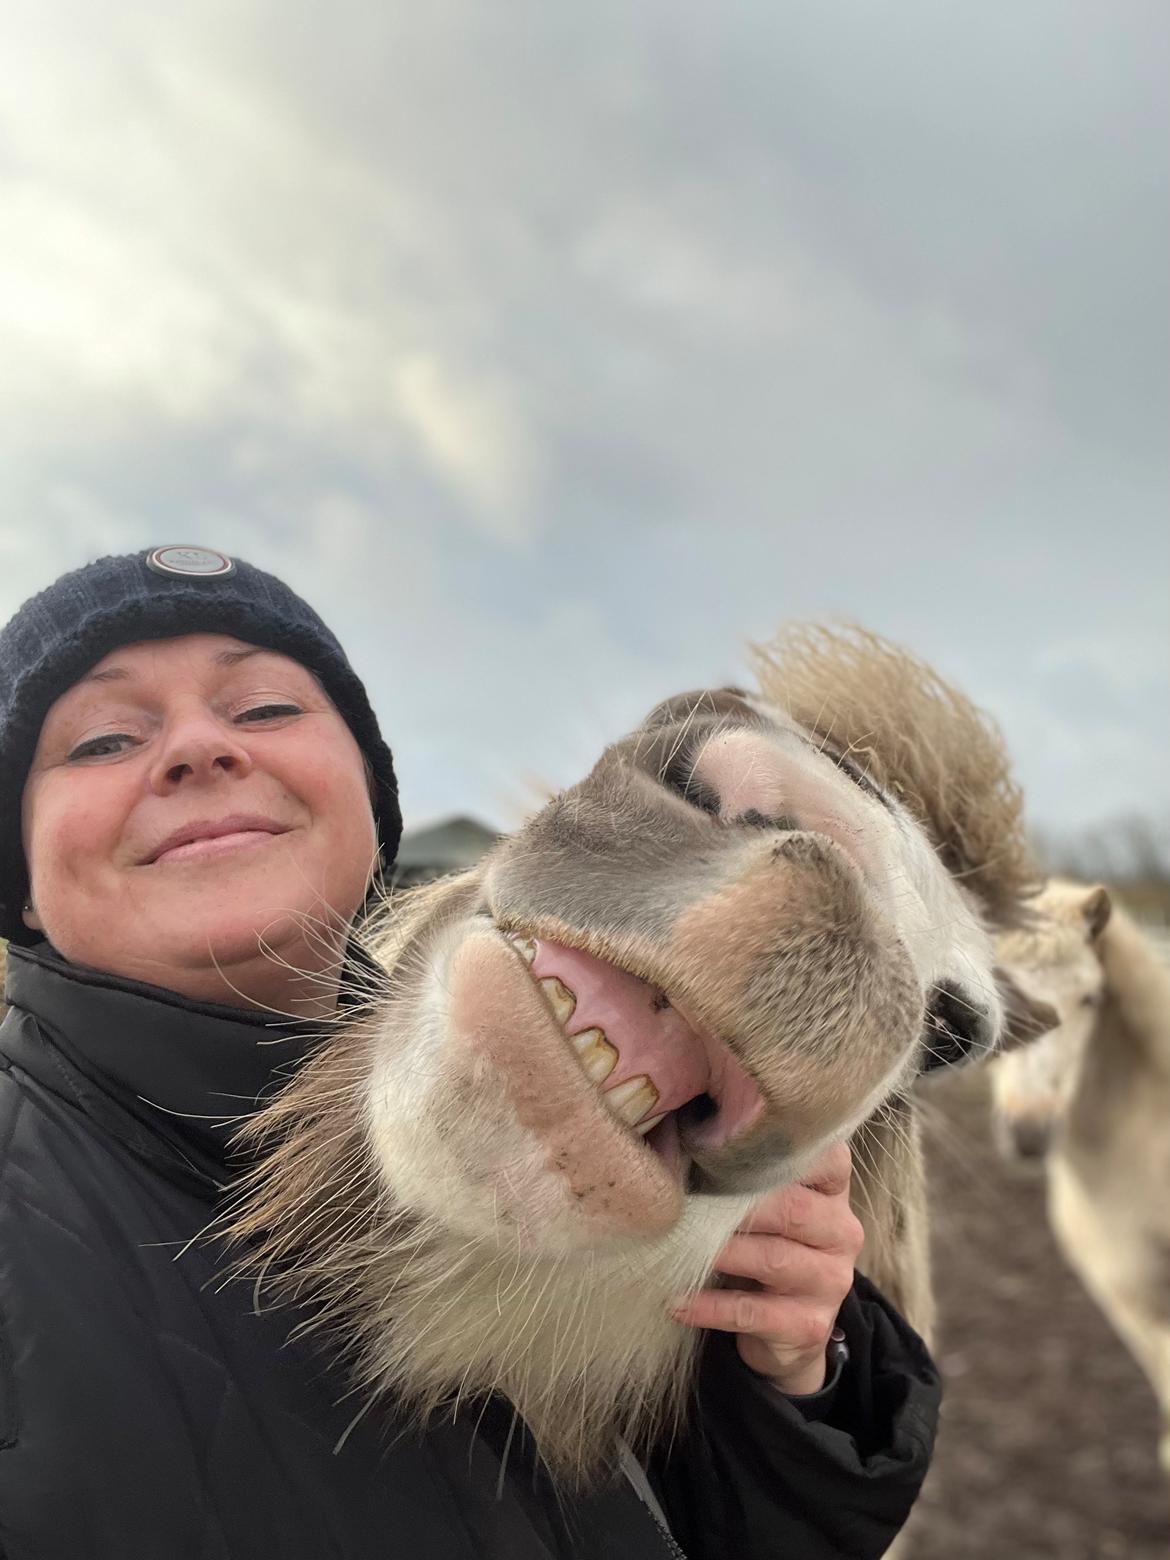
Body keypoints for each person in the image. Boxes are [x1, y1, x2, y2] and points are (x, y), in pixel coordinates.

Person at [0, 546, 940, 1559]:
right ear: (17, 886)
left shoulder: (609, 1091)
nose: (195, 748)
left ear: (370, 803)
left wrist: (791, 1375)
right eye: (101, 738)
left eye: (265, 709)